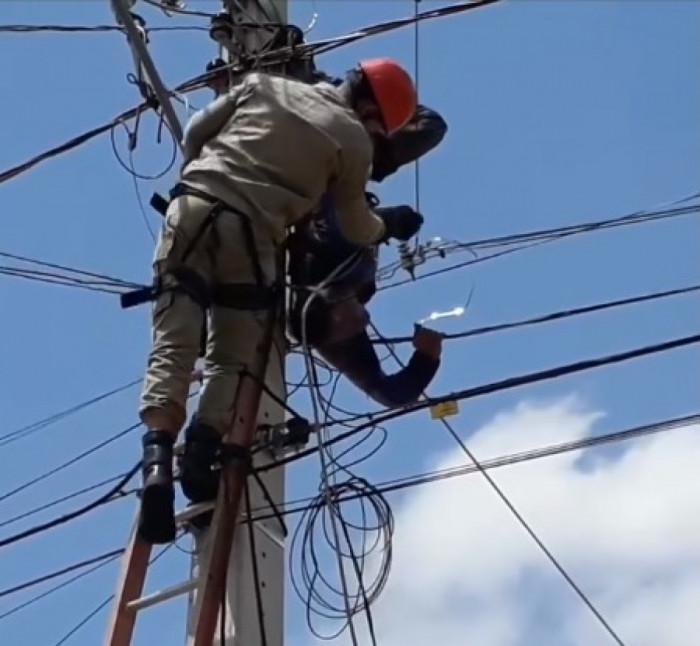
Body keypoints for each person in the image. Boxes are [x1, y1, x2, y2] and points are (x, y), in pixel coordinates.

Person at [137, 58, 424, 545]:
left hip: (191, 209)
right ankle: (202, 452)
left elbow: (195, 133)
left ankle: (158, 460)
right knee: (232, 357)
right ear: (372, 114)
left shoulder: (265, 86)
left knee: (174, 343)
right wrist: (388, 225)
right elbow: (356, 226)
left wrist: (214, 173)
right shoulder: (352, 141)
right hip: (250, 238)